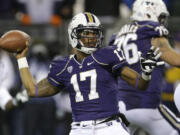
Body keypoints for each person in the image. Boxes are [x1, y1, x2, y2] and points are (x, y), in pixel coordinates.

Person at [15, 12, 161, 135]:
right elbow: (32, 90)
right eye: (86, 33)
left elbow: (140, 84)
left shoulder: (107, 55)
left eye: (94, 33)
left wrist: (146, 73)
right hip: (79, 129)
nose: (91, 37)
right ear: (74, 35)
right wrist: (21, 58)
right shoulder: (63, 65)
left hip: (109, 127)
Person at [108, 0, 180, 134]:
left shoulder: (116, 37)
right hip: (146, 104)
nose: (162, 21)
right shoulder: (149, 29)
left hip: (120, 107)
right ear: (148, 15)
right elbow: (173, 58)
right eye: (160, 17)